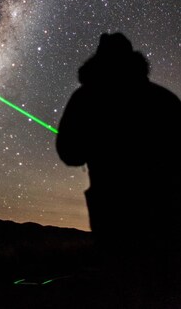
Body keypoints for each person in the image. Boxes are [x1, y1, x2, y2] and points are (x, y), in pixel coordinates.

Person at [56, 33, 181, 253]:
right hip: (166, 213)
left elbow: (69, 152)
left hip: (112, 213)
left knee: (122, 278)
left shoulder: (85, 98)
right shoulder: (164, 99)